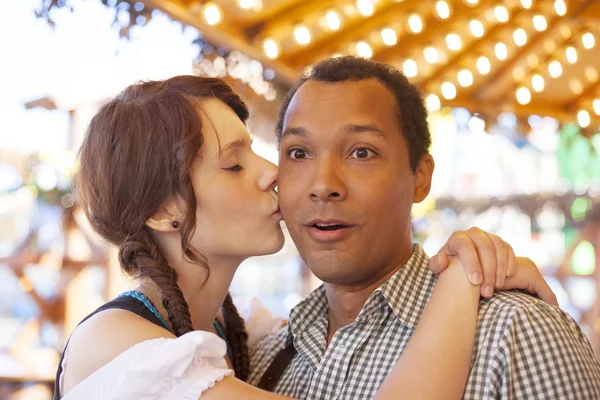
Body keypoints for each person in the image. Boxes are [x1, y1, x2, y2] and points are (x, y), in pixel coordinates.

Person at [56, 75, 553, 400]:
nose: (273, 173)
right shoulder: (116, 344)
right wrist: (462, 279)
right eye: (234, 165)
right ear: (165, 211)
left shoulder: (251, 335)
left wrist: (487, 263)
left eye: (258, 153)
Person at [248, 56, 600, 399]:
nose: (323, 184)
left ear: (420, 177)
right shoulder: (263, 360)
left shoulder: (516, 334)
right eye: (298, 153)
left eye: (361, 152)